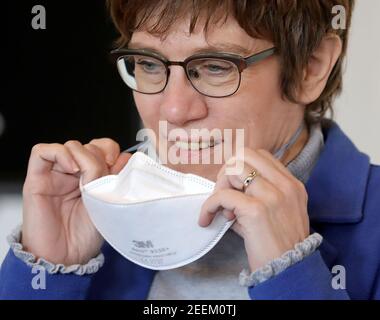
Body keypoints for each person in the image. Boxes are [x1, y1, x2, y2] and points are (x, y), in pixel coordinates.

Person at [1, 0, 379, 300]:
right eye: (149, 63)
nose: (174, 110)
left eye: (215, 67)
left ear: (311, 68)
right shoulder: (98, 217)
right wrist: (48, 273)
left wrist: (293, 277)